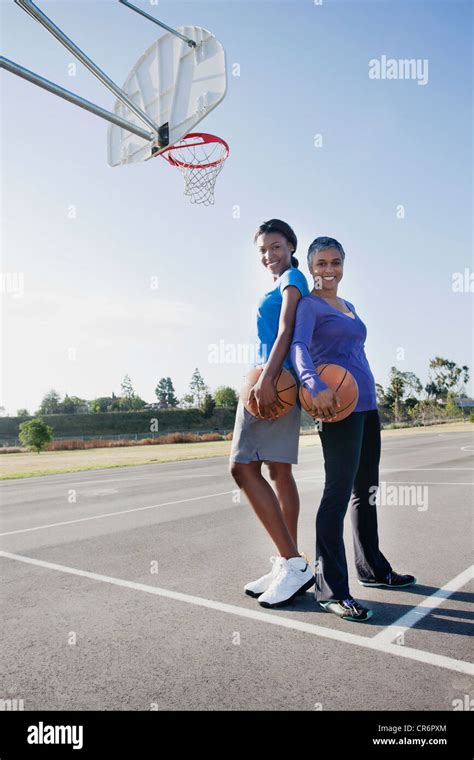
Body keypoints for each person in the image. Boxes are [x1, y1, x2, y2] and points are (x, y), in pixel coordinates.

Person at [290, 236, 416, 622]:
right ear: (310, 267)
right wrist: (314, 385)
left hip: (366, 407)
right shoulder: (308, 305)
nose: (329, 270)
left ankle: (373, 568)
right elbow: (298, 347)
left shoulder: (349, 306)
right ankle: (330, 589)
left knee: (367, 491)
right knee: (337, 494)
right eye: (321, 263)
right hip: (336, 408)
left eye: (336, 262)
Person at [229, 219, 315, 608]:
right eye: (263, 250)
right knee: (279, 471)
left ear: (292, 246)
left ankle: (294, 563)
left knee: (242, 466)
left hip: (275, 382)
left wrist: (267, 378)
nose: (269, 255)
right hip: (277, 380)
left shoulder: (292, 278)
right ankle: (287, 562)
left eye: (276, 246)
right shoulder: (280, 281)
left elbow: (285, 331)